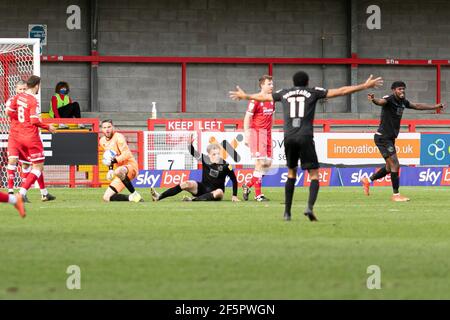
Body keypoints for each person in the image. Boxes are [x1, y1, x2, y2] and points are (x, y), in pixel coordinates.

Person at [230, 71, 383, 221]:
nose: (271, 85)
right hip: (301, 136)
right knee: (313, 174)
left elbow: (263, 97)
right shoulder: (313, 92)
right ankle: (307, 206)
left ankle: (286, 211)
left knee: (289, 172)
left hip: (288, 136)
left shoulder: (284, 92)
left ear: (293, 83)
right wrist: (364, 85)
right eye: (269, 83)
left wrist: (245, 96)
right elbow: (341, 91)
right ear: (307, 82)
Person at [362, 81, 445, 201]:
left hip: (389, 138)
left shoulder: (403, 101)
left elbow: (417, 106)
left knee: (389, 168)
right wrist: (374, 100)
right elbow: (381, 102)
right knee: (396, 164)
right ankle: (396, 195)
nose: (402, 91)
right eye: (399, 89)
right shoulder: (389, 99)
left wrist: (435, 107)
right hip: (383, 137)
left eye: (403, 89)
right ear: (393, 90)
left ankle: (367, 180)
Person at [7, 75, 57, 201]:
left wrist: (20, 122)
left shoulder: (17, 97)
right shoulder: (33, 100)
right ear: (36, 85)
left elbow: (9, 112)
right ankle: (21, 193)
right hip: (31, 136)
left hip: (18, 136)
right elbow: (34, 120)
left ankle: (44, 193)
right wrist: (48, 127)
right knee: (38, 166)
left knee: (34, 164)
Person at [150, 134, 240, 202]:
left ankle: (192, 200)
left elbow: (234, 180)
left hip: (215, 193)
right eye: (214, 154)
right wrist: (189, 145)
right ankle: (159, 197)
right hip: (202, 188)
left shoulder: (226, 165)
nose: (217, 156)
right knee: (186, 183)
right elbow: (193, 152)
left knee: (219, 192)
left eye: (218, 154)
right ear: (208, 155)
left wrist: (234, 195)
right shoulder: (205, 159)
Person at [242, 75, 275, 202]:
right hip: (257, 133)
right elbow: (247, 117)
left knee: (267, 164)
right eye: (269, 84)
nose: (271, 86)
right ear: (262, 85)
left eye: (272, 84)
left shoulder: (272, 100)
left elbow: (272, 116)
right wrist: (247, 134)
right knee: (260, 163)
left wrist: (270, 131)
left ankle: (248, 185)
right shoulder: (255, 99)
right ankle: (258, 195)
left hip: (267, 134)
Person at [99, 119, 143, 202]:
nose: (107, 129)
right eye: (104, 127)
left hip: (131, 166)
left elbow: (126, 154)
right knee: (106, 197)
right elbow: (109, 155)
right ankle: (133, 198)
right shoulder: (102, 141)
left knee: (118, 171)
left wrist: (113, 162)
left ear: (113, 127)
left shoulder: (118, 137)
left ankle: (134, 193)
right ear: (102, 129)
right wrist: (110, 169)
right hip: (120, 172)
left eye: (109, 127)